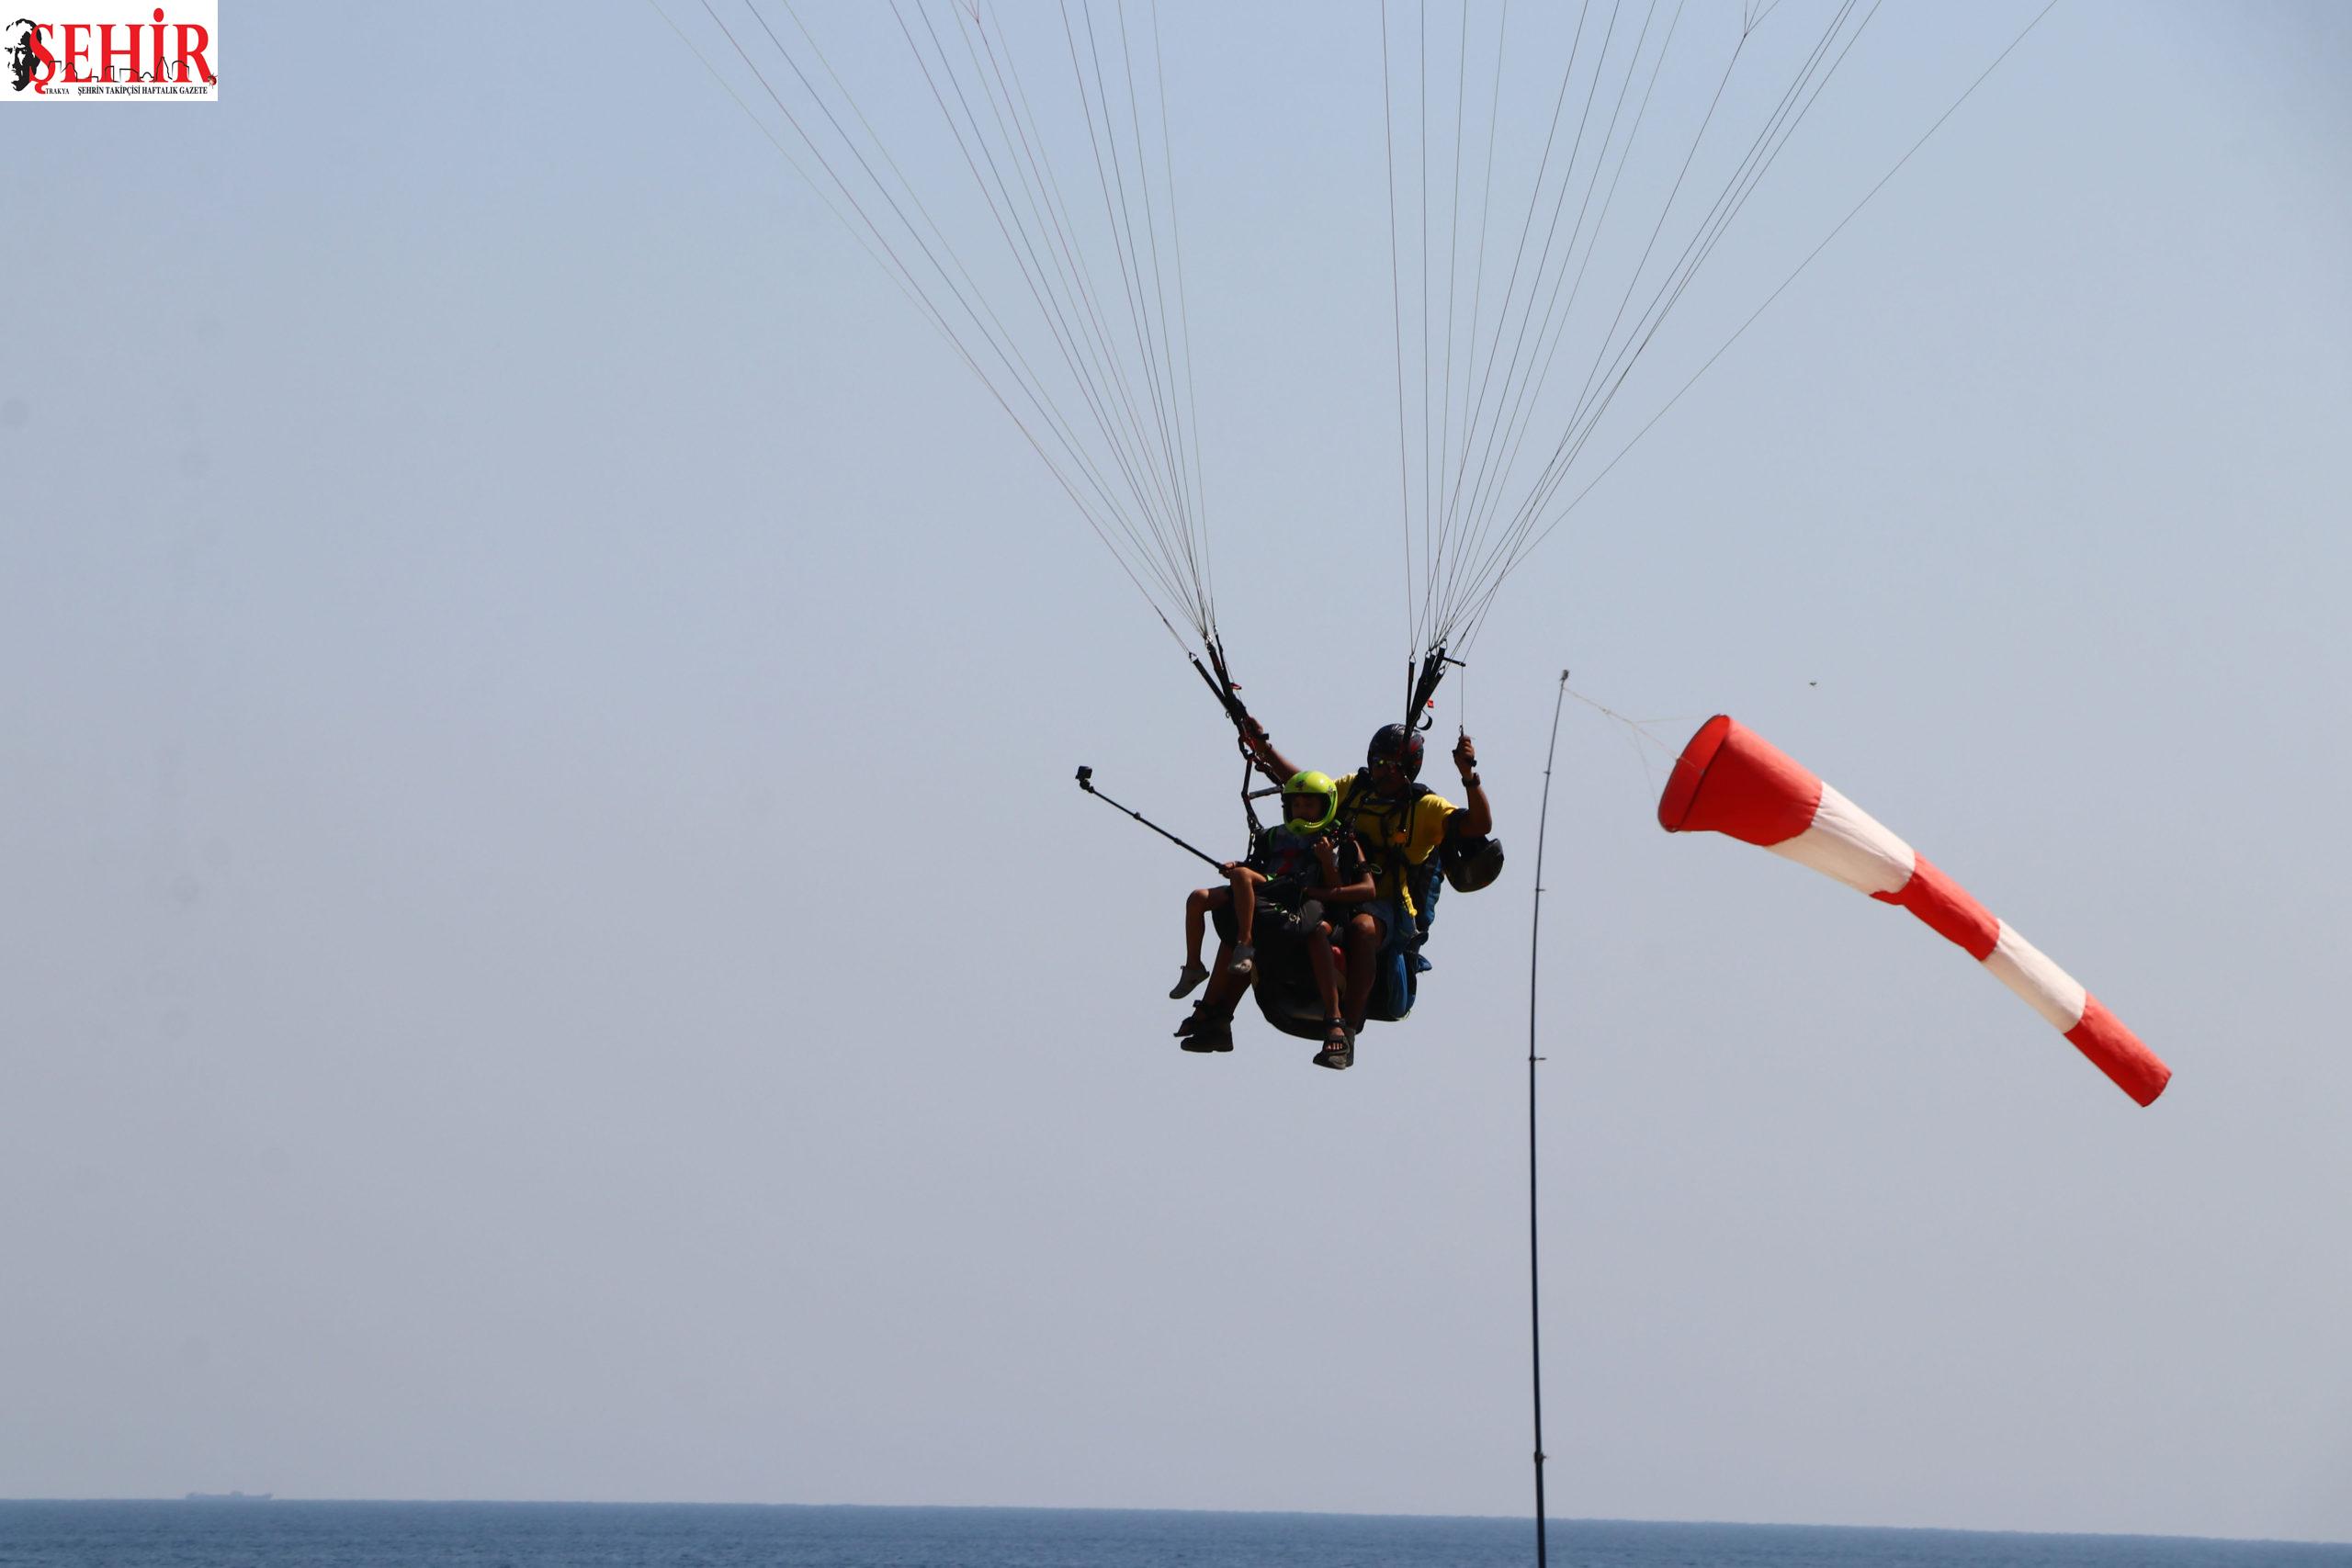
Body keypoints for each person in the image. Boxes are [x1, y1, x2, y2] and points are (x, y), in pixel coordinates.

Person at [1241, 719, 1493, 1040]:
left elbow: (1479, 826)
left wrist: (1468, 776)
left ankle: (1348, 1027)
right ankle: (1216, 1013)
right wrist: (1263, 747)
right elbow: (1305, 787)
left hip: (1387, 908)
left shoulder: (1425, 807)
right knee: (1249, 901)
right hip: (1336, 892)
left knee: (1363, 927)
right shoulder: (1355, 789)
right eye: (1377, 763)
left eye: (1391, 765)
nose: (1381, 772)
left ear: (1409, 767)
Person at [1172, 772, 1376, 1065]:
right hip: (1274, 899)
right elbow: (1256, 868)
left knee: (1315, 931)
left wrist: (1323, 865)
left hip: (1320, 909)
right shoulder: (1272, 837)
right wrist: (1238, 868)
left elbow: (1359, 888)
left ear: (1325, 807)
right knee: (1212, 906)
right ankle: (1211, 1008)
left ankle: (1335, 1023)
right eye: (1297, 806)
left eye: (1310, 806)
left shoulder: (1342, 840)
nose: (1302, 812)